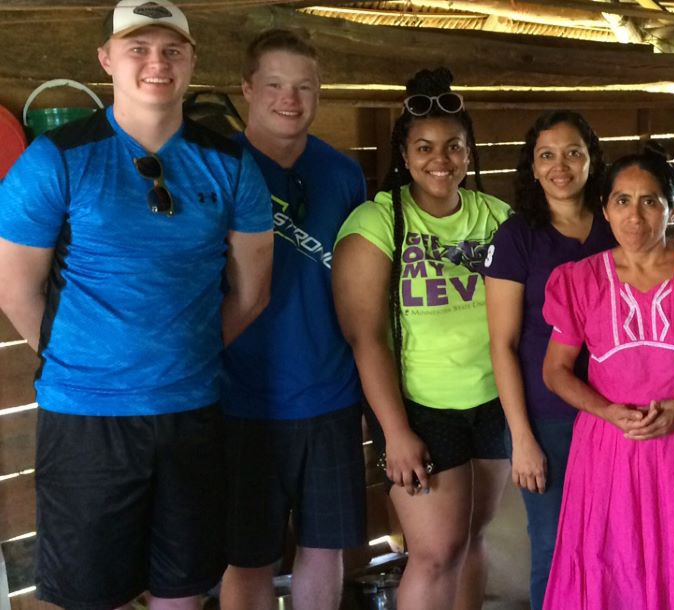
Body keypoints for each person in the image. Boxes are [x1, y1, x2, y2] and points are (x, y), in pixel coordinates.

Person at [0, 1, 273, 608]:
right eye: (138, 48)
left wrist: (181, 355)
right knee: (91, 595)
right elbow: (16, 290)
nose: (158, 62)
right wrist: (90, 360)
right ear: (106, 60)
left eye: (173, 49)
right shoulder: (56, 160)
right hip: (86, 420)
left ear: (192, 60)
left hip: (192, 412)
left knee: (185, 589)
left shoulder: (230, 164)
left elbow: (253, 293)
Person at [539, 146, 674, 610]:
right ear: (604, 208)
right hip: (608, 451)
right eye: (621, 201)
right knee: (612, 565)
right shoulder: (580, 280)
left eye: (650, 201)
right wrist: (607, 411)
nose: (634, 216)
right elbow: (555, 371)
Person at [332, 68, 512, 610]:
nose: (442, 159)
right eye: (426, 147)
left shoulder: (496, 217)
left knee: (472, 541)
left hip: (490, 402)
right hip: (421, 409)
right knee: (435, 553)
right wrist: (395, 432)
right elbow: (365, 338)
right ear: (405, 156)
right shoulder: (378, 222)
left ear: (468, 151)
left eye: (454, 146)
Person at [218, 28, 368, 610]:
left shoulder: (343, 174)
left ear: (319, 93)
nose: (290, 98)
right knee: (248, 555)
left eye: (304, 87)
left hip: (328, 395)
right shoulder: (217, 167)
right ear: (248, 89)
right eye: (276, 85)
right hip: (240, 398)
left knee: (323, 549)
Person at [482, 110, 616, 610]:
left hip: (614, 415)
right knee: (556, 549)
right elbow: (503, 344)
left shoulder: (615, 226)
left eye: (573, 153)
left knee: (615, 546)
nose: (561, 166)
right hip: (548, 420)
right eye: (547, 155)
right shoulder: (517, 238)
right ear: (532, 168)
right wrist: (521, 438)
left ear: (591, 160)